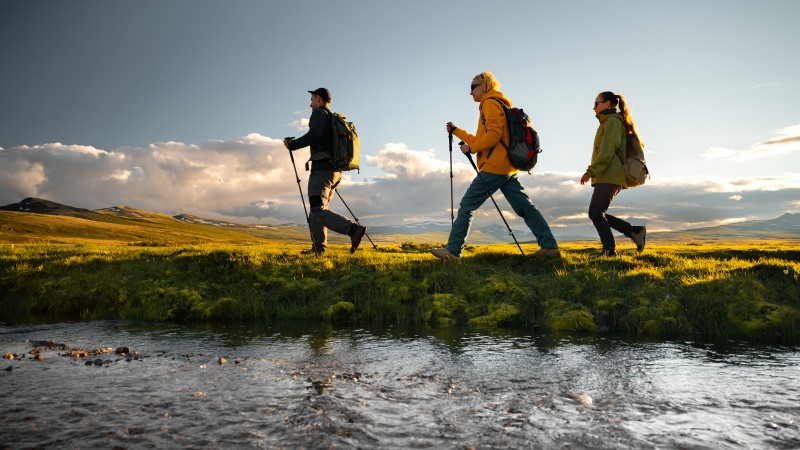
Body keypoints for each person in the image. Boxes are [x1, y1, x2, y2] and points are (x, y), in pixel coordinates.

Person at [432, 71, 560, 261]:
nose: (470, 93)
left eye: (472, 88)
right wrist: (458, 132)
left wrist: (472, 148)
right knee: (525, 207)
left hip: (494, 167)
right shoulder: (497, 104)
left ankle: (453, 251)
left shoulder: (490, 104)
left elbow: (492, 136)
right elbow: (484, 138)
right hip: (508, 167)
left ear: (484, 87)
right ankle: (549, 247)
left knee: (467, 206)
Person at [284, 88, 366, 254]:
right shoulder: (332, 118)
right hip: (335, 171)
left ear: (319, 99)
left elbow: (313, 135)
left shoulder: (319, 114)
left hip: (323, 170)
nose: (310, 104)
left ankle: (353, 229)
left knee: (317, 209)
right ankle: (319, 249)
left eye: (312, 100)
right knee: (317, 210)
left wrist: (292, 145)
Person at [580, 91, 647, 257]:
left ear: (609, 104)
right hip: (607, 175)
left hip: (610, 174)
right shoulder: (607, 123)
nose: (593, 107)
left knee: (595, 213)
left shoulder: (611, 122)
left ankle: (610, 250)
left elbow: (607, 151)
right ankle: (633, 232)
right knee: (597, 213)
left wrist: (590, 171)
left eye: (597, 103)